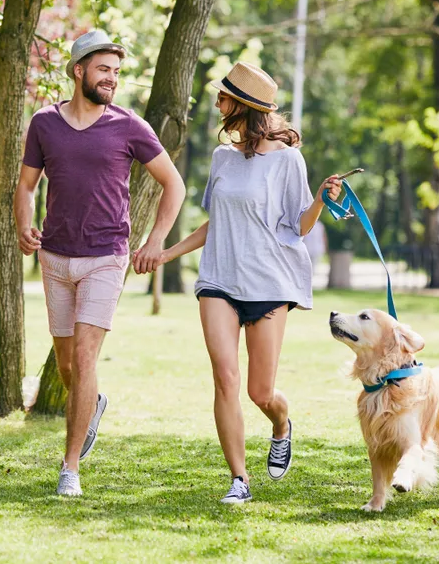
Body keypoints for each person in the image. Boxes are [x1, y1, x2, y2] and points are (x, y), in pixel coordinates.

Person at [136, 61, 340, 504]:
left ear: (244, 107)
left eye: (224, 96)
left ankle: (281, 425)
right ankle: (239, 480)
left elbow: (299, 227)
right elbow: (217, 222)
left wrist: (321, 199)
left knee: (259, 391)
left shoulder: (288, 160)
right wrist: (167, 252)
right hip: (219, 279)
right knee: (225, 378)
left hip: (269, 283)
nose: (217, 102)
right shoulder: (221, 157)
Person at [14, 30, 186, 497]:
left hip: (106, 258)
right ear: (78, 71)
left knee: (86, 357)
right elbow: (26, 185)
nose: (112, 78)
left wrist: (154, 240)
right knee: (69, 366)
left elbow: (174, 185)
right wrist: (23, 224)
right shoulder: (44, 124)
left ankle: (69, 467)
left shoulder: (130, 126)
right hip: (54, 256)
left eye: (116, 71)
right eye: (103, 69)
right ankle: (93, 403)